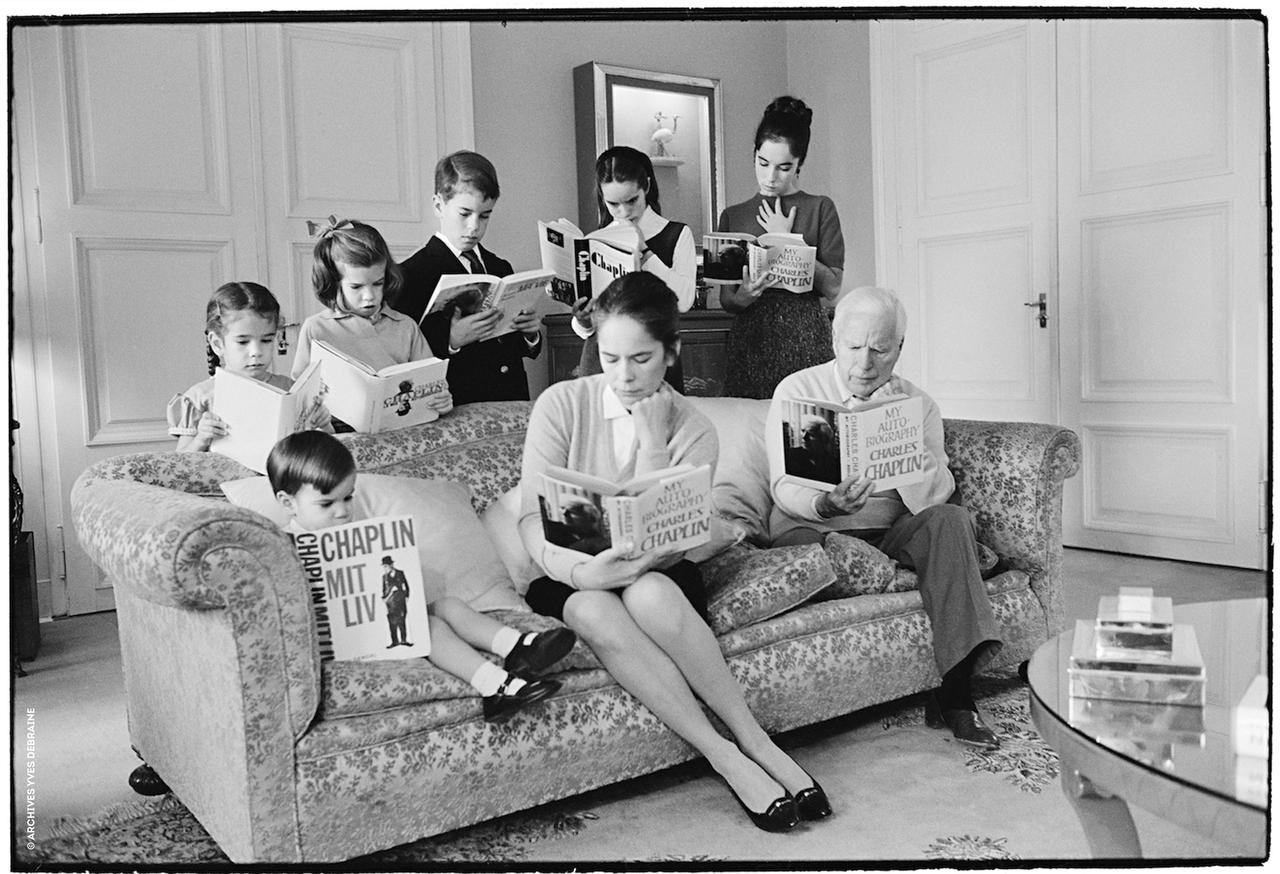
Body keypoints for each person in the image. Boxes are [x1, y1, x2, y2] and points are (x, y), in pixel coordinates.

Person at [518, 272, 830, 832]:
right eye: (610, 357)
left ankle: (759, 741)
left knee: (652, 592)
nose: (623, 376)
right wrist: (584, 570)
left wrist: (654, 439)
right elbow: (529, 521)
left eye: (640, 359)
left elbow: (665, 535)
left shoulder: (694, 428)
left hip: (658, 570)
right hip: (567, 572)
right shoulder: (560, 404)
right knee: (591, 606)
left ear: (672, 352)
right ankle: (724, 754)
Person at [767, 286, 1004, 750]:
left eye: (880, 349)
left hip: (887, 532)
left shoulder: (919, 403)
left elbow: (937, 497)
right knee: (800, 544)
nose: (864, 364)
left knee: (952, 521)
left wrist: (899, 424)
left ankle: (956, 695)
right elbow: (782, 485)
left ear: (900, 348)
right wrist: (826, 505)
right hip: (815, 527)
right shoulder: (797, 391)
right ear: (834, 341)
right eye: (854, 347)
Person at [268, 430, 577, 723]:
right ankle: (495, 686)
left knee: (447, 605)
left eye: (347, 498)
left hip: (376, 623)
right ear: (287, 503)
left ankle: (517, 646)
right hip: (337, 641)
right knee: (427, 625)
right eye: (326, 504)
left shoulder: (355, 535)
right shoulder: (278, 547)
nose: (342, 512)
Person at [716, 96, 845, 399]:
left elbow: (832, 288)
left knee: (807, 427)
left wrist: (787, 240)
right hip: (751, 339)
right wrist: (744, 297)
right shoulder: (733, 215)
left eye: (784, 167)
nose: (771, 177)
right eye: (763, 163)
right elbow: (727, 300)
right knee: (750, 429)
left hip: (805, 335)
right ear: (755, 155)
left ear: (800, 163)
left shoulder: (820, 208)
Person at [396, 151, 542, 405]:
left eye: (485, 215)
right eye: (465, 214)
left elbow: (516, 347)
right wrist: (451, 340)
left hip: (512, 402)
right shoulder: (410, 274)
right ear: (439, 205)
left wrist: (530, 334)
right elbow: (401, 357)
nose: (475, 226)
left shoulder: (500, 266)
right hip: (459, 407)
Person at [289, 218, 451, 423]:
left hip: (400, 428)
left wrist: (442, 400)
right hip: (339, 435)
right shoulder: (316, 329)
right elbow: (300, 396)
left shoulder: (405, 326)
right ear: (332, 282)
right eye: (356, 287)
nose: (370, 296)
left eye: (378, 284)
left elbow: (433, 385)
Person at [571, 146, 696, 390]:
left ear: (646, 187)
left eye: (631, 200)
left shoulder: (677, 234)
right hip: (601, 358)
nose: (624, 211)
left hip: (654, 356)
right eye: (613, 204)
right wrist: (583, 320)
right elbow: (585, 329)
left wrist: (645, 251)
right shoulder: (595, 240)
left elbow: (683, 301)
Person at [168, 281, 330, 452]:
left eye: (266, 340)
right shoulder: (199, 397)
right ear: (217, 344)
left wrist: (324, 425)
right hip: (228, 479)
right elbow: (181, 460)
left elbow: (321, 451)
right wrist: (201, 439)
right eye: (243, 342)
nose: (256, 351)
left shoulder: (290, 390)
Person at [783, 415, 841, 485]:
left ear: (823, 439)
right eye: (803, 431)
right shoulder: (789, 455)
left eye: (811, 434)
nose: (804, 437)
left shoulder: (833, 464)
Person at [381, 556, 411, 648]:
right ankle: (394, 642)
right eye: (384, 566)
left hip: (400, 601)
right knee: (392, 623)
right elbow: (384, 590)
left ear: (391, 565)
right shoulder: (384, 577)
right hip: (390, 603)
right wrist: (385, 599)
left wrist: (406, 596)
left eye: (386, 566)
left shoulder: (400, 573)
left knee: (402, 621)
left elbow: (406, 585)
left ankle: (403, 640)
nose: (384, 568)